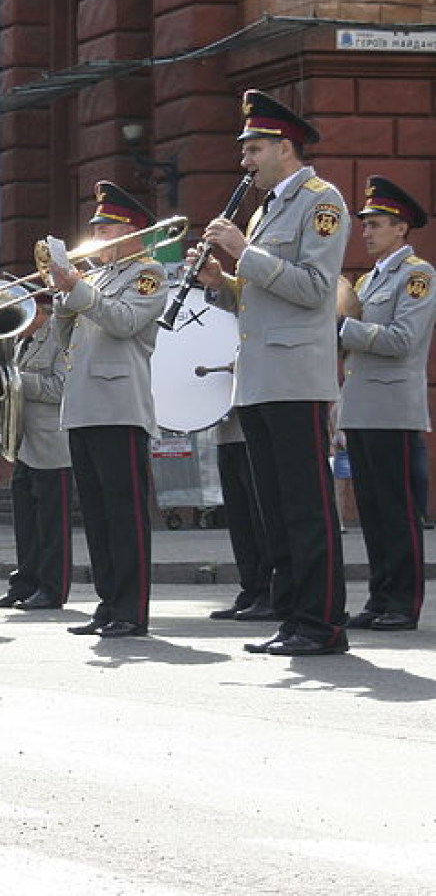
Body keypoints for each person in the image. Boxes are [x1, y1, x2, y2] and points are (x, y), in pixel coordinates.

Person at [194, 88, 350, 656]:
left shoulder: (320, 200)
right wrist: (222, 283)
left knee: (307, 506)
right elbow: (260, 298)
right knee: (276, 508)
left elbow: (315, 290)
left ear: (285, 146)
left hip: (296, 378)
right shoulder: (266, 209)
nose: (245, 161)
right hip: (258, 378)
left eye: (254, 148)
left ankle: (322, 623)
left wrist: (243, 252)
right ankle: (291, 618)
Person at [51, 182, 167, 639]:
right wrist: (63, 299)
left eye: (105, 228)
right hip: (83, 405)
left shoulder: (149, 273)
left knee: (125, 514)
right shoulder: (96, 279)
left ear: (132, 230)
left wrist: (78, 288)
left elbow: (123, 322)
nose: (96, 236)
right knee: (97, 515)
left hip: (120, 406)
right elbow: (67, 341)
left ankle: (132, 608)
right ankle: (107, 602)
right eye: (95, 228)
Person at [337, 176, 434, 631]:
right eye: (365, 226)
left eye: (375, 224)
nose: (367, 233)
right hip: (362, 409)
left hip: (392, 410)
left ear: (401, 228)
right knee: (373, 512)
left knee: (396, 511)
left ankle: (403, 603)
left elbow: (403, 340)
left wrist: (342, 329)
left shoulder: (417, 274)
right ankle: (380, 597)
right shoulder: (368, 279)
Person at [0, 300, 75, 611]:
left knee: (52, 523)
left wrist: (12, 380)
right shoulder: (22, 341)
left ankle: (52, 588)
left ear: (42, 309)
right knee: (25, 521)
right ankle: (23, 584)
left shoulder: (60, 337)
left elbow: (61, 388)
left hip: (51, 445)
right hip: (24, 442)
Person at [209, 411, 278, 622]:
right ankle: (250, 589)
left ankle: (268, 591)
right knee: (240, 521)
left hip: (250, 428)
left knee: (259, 518)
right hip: (225, 431)